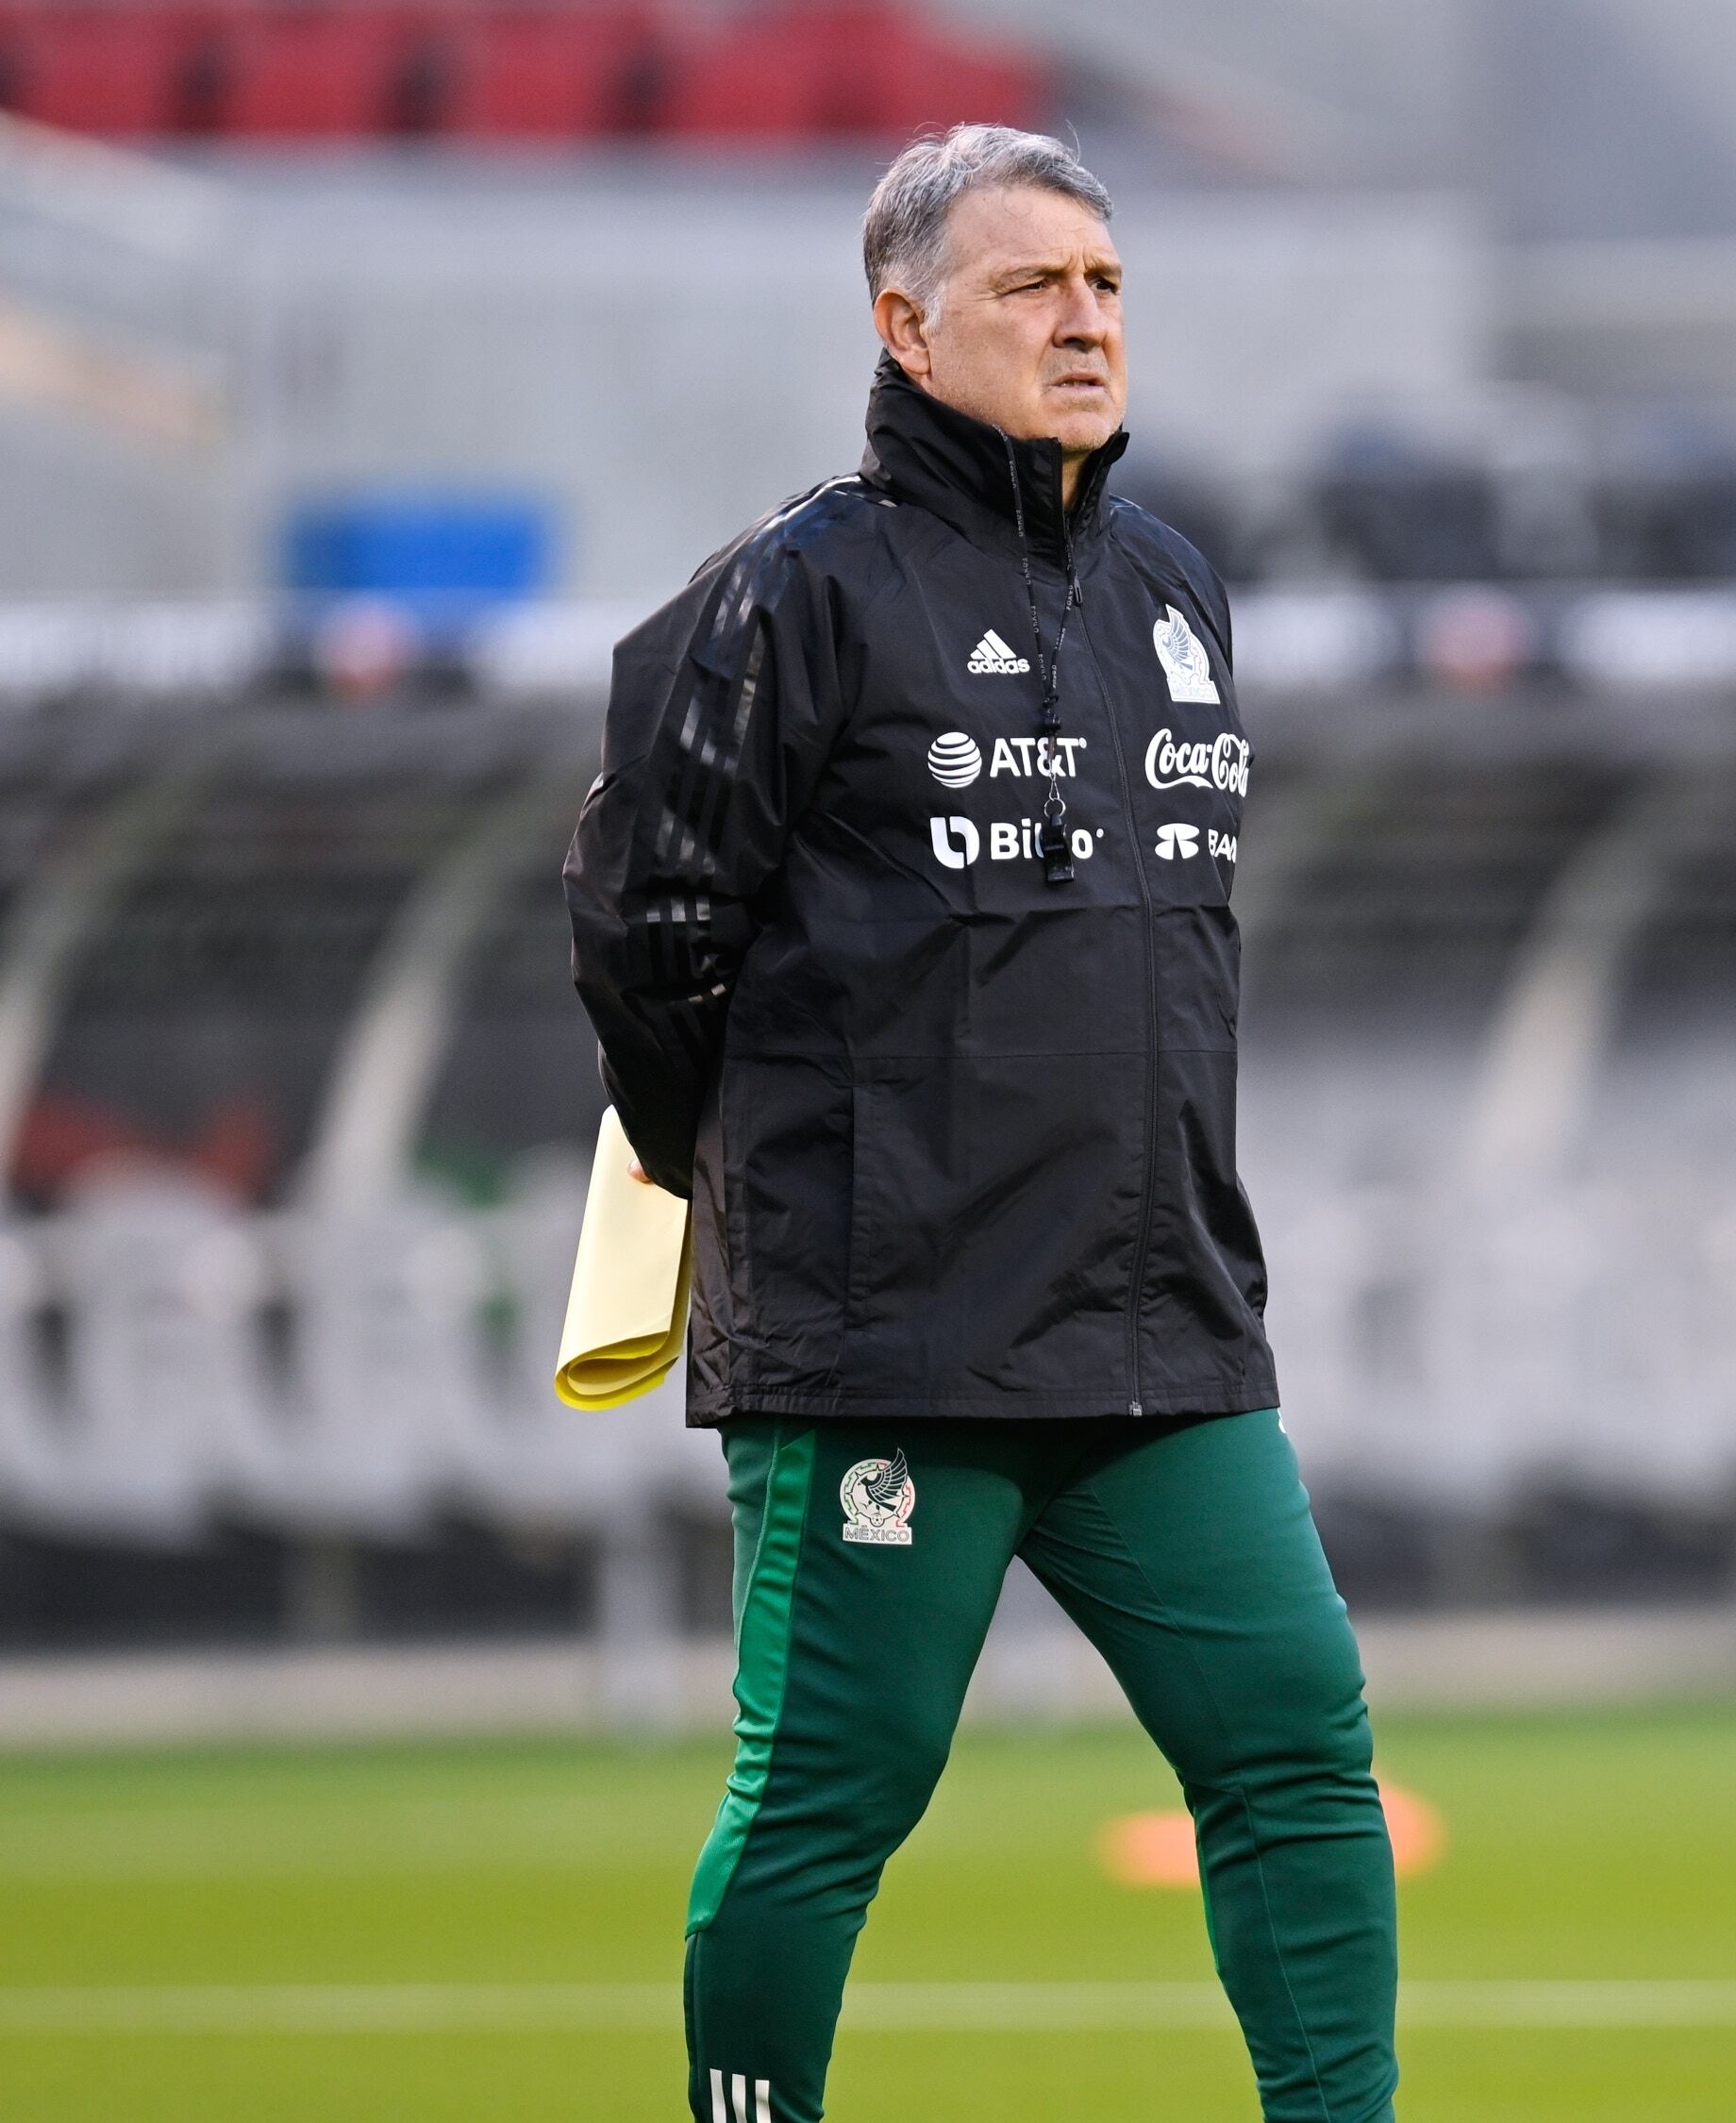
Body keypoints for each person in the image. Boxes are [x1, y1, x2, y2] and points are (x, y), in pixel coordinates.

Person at [563, 125, 1399, 2123]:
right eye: (1031, 288)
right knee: (829, 1804)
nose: (1083, 323)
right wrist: (783, 1192)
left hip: (1162, 1331)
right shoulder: (787, 598)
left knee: (1297, 1749)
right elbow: (642, 932)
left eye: (1104, 287)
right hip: (892, 1337)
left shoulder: (1177, 586)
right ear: (905, 326)